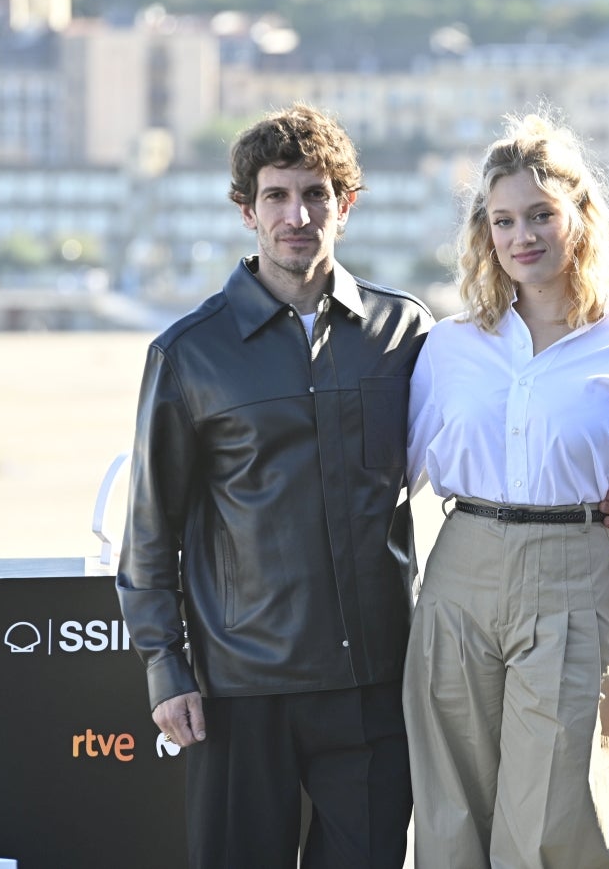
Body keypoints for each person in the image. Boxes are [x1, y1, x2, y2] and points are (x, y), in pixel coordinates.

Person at [115, 103, 432, 869]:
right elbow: (151, 533)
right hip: (240, 691)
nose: (299, 215)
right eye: (279, 196)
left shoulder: (406, 334)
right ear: (246, 211)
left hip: (374, 686)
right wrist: (167, 668)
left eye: (317, 194)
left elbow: (475, 454)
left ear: (345, 205)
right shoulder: (189, 354)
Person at [403, 112, 609, 868]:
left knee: (558, 831)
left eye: (540, 215)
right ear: (484, 234)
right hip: (457, 579)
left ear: (580, 221)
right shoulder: (447, 350)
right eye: (503, 220)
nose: (522, 235)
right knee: (448, 824)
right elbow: (385, 484)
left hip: (572, 581)